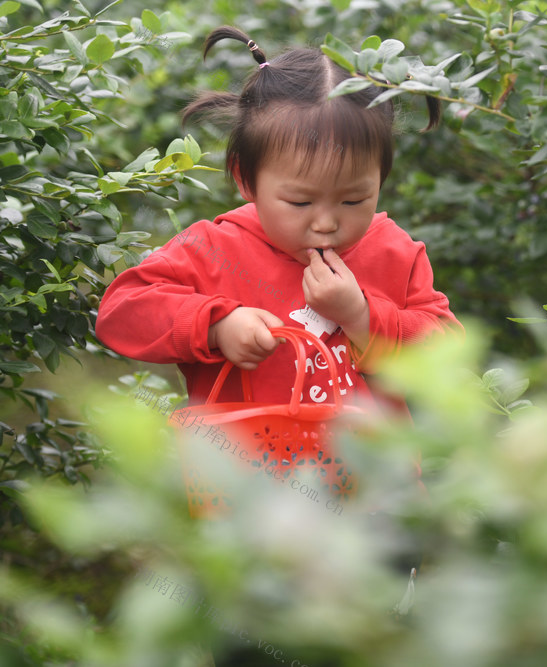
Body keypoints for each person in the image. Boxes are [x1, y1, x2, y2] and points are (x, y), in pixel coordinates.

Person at [97, 27, 459, 664]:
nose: (326, 222)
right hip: (248, 508)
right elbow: (122, 311)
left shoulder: (393, 253)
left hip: (374, 506)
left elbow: (445, 355)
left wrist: (364, 315)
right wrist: (215, 323)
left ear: (382, 180)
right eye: (298, 199)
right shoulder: (214, 250)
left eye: (355, 199)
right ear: (246, 178)